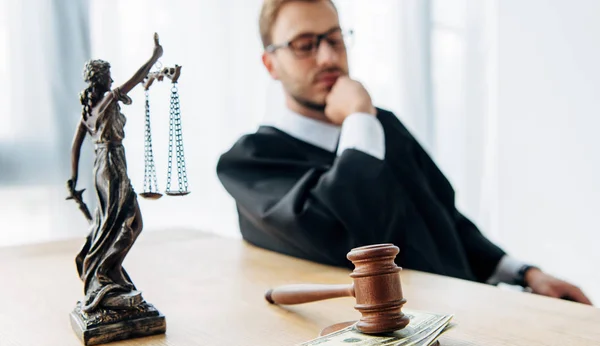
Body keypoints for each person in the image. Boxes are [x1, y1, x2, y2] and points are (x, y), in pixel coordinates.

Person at [216, 0, 592, 305]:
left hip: (473, 315)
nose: (329, 57)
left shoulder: (385, 127)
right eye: (304, 45)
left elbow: (443, 218)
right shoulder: (250, 161)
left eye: (335, 38)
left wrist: (524, 273)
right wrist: (359, 118)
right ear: (271, 64)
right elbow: (348, 235)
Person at [67, 34, 163, 313]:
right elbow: (135, 78)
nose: (112, 80)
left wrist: (72, 181)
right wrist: (155, 56)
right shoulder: (108, 99)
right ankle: (107, 273)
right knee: (129, 223)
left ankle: (110, 270)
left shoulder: (88, 111)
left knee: (116, 223)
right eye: (109, 76)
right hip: (113, 165)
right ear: (102, 80)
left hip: (102, 166)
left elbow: (75, 145)